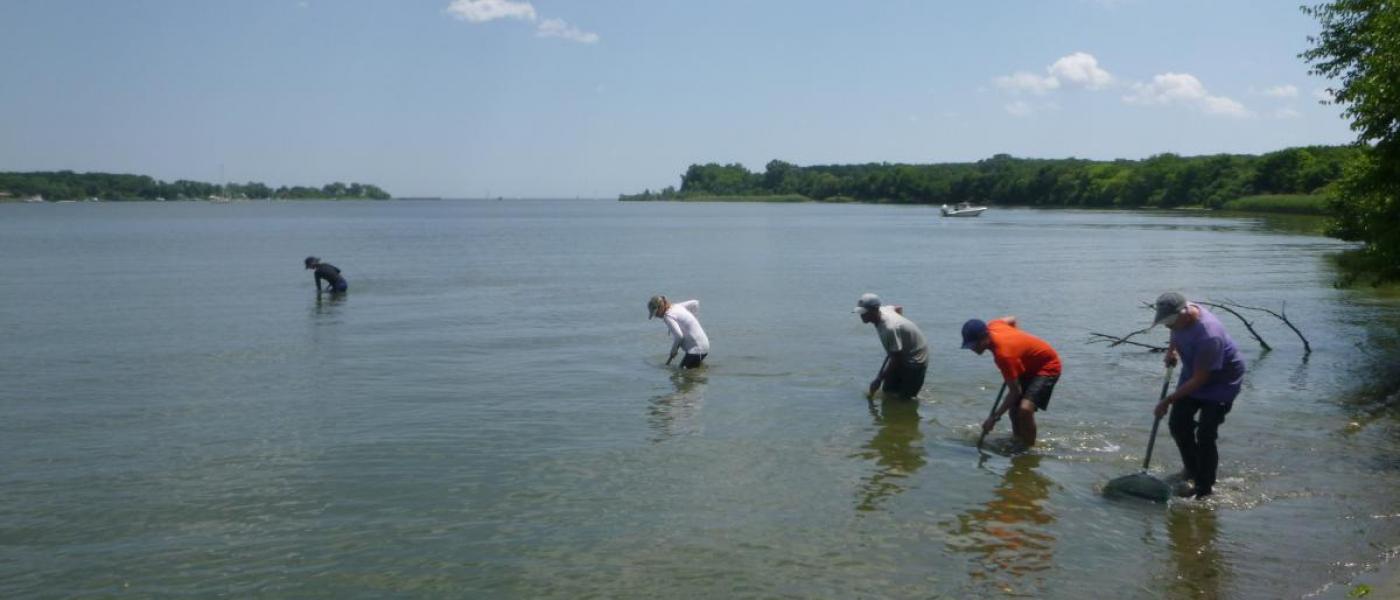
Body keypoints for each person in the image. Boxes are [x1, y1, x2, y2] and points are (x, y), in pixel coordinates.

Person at [1151, 291, 1246, 499]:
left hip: (1221, 381)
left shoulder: (1209, 335)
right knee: (1178, 424)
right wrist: (1172, 350)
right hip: (1195, 371)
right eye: (1166, 324)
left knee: (1205, 434)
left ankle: (1204, 489)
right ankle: (1192, 469)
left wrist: (1168, 400)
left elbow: (1201, 380)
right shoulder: (1181, 313)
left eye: (1170, 323)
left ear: (1184, 314)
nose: (1169, 327)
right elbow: (1174, 331)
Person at [961, 316, 1062, 449]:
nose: (972, 349)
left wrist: (993, 418)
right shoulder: (994, 324)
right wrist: (1019, 345)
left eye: (975, 344)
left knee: (1025, 409)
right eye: (970, 345)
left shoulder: (1004, 355)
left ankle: (1029, 450)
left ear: (985, 337)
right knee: (1014, 412)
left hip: (1047, 366)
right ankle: (1018, 441)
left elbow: (1015, 392)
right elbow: (1012, 319)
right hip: (1026, 365)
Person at [854, 293, 928, 399]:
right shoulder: (885, 309)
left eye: (864, 312)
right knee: (888, 391)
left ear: (875, 310)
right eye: (860, 312)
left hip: (916, 357)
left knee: (905, 399)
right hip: (901, 352)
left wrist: (879, 379)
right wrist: (901, 332)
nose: (861, 315)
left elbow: (896, 358)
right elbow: (898, 308)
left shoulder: (888, 328)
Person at [647, 295, 710, 369]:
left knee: (680, 374)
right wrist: (693, 323)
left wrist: (673, 351)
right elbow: (695, 303)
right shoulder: (676, 306)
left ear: (661, 307)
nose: (657, 316)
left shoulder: (667, 316)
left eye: (656, 313)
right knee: (693, 374)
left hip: (696, 350)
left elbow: (679, 336)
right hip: (704, 346)